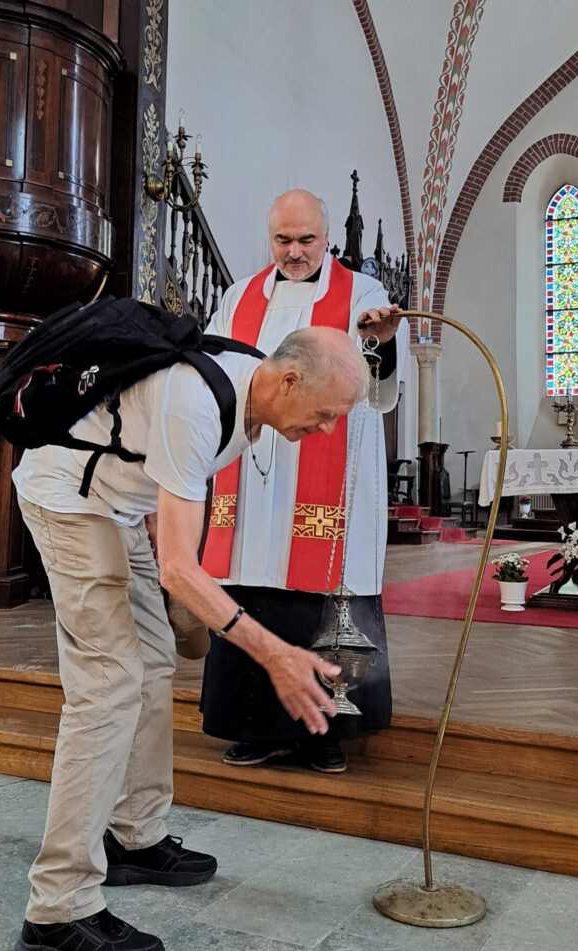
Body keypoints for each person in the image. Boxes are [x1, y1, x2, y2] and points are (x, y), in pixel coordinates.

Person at [10, 324, 373, 951]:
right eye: (325, 415)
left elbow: (158, 476)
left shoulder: (245, 388)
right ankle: (56, 911)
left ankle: (134, 835)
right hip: (68, 499)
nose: (324, 431)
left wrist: (163, 582)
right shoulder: (199, 402)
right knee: (108, 686)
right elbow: (182, 568)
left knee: (152, 663)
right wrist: (275, 654)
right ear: (290, 380)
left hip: (119, 510)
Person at [199, 188, 409, 774]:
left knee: (324, 601)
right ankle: (253, 727)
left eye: (306, 240)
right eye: (283, 240)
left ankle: (325, 734)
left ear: (327, 238)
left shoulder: (361, 293)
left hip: (328, 473)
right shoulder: (238, 297)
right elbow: (215, 370)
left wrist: (380, 344)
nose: (294, 252)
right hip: (252, 475)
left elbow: (378, 383)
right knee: (249, 591)